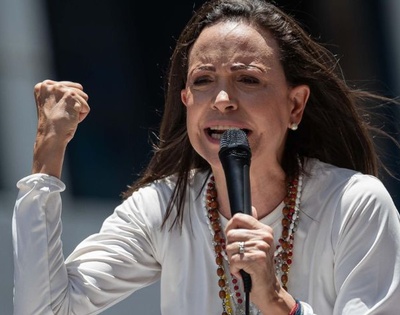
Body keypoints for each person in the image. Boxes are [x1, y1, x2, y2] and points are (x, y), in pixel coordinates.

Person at [12, 0, 400, 314]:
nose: (222, 100)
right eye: (202, 81)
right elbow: (44, 309)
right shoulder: (163, 207)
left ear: (295, 105)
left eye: (247, 80)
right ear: (186, 103)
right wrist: (47, 154)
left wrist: (277, 302)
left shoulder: (355, 203)